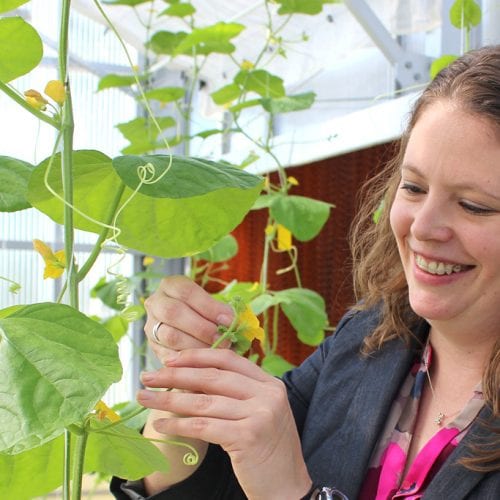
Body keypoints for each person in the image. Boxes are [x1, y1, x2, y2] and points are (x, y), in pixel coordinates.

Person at [111, 45, 500, 499]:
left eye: (474, 206)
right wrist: (187, 395)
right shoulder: (368, 341)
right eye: (413, 187)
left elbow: (278, 482)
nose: (423, 227)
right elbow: (225, 482)